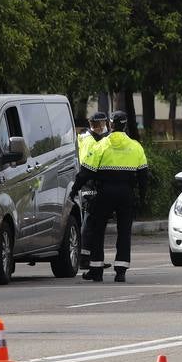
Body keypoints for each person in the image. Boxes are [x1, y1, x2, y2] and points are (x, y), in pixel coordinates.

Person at [76, 110, 150, 283]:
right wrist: (142, 198)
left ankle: (96, 270)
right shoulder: (136, 146)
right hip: (126, 194)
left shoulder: (101, 145)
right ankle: (121, 271)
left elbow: (87, 171)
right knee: (124, 232)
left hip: (104, 193)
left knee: (98, 230)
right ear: (125, 125)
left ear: (110, 124)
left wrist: (76, 188)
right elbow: (144, 176)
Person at [73, 112, 109, 273]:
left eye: (103, 123)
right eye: (100, 124)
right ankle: (85, 258)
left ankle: (94, 258)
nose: (102, 126)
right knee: (89, 222)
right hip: (89, 184)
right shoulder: (89, 140)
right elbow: (89, 165)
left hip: (93, 183)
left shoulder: (94, 138)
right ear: (94, 124)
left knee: (93, 223)